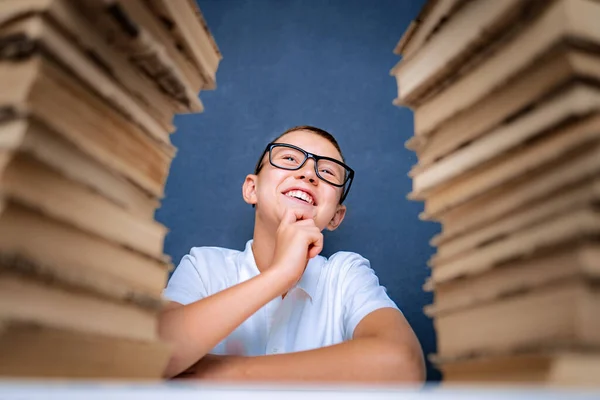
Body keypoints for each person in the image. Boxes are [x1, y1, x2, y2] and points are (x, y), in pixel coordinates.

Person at [158, 126, 425, 383]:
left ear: (335, 216)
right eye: (289, 158)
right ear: (252, 189)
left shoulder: (345, 275)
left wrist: (212, 373)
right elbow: (153, 353)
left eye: (328, 172)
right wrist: (280, 274)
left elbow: (403, 364)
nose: (309, 174)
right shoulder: (204, 266)